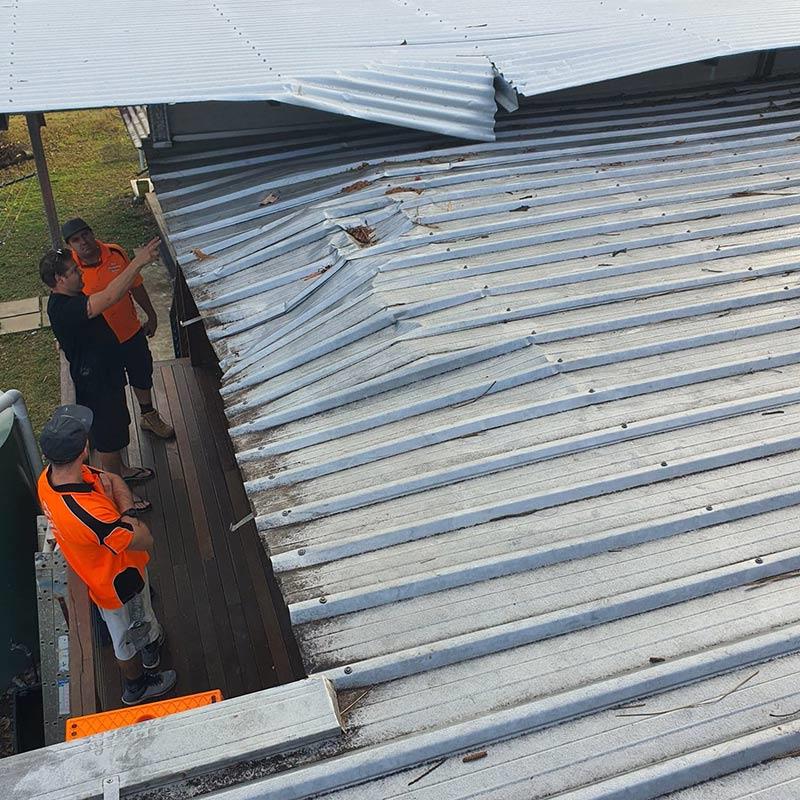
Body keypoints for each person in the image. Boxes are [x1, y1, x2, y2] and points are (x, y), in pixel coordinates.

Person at [37, 405, 177, 706]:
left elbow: (111, 481)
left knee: (138, 623)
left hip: (96, 570)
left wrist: (124, 513)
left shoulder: (49, 479)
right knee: (125, 637)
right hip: (117, 582)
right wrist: (129, 517)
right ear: (84, 449)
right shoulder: (92, 515)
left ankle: (151, 646)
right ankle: (136, 686)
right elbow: (144, 539)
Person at [40, 239, 160, 513]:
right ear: (59, 279)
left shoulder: (72, 294)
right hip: (96, 384)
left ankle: (123, 471)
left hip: (107, 375)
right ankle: (119, 496)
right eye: (73, 271)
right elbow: (108, 297)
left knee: (117, 429)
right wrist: (138, 262)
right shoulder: (64, 307)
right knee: (107, 442)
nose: (80, 273)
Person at [61, 217, 174, 439]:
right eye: (75, 240)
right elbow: (67, 307)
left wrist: (151, 315)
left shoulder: (116, 253)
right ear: (70, 246)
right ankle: (102, 432)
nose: (83, 242)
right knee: (107, 389)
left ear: (93, 233)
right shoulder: (70, 272)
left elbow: (136, 285)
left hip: (130, 332)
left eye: (85, 235)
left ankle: (148, 415)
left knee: (142, 374)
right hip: (98, 344)